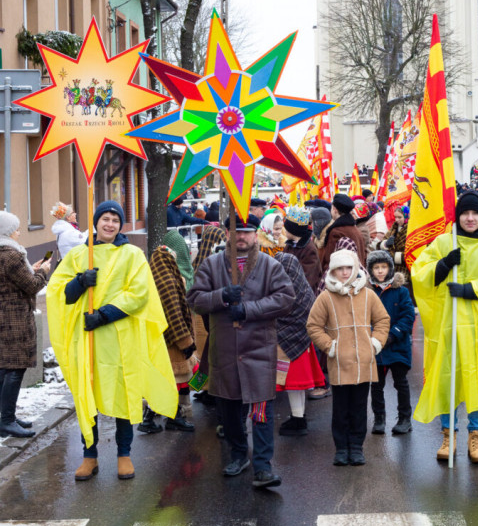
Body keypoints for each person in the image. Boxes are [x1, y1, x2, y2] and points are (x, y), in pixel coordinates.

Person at [47, 200, 178, 481]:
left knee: (122, 393)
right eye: (105, 218)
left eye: (115, 220)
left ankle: (124, 454)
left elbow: (140, 293)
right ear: (95, 223)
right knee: (87, 395)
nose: (110, 224)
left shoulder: (132, 254)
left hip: (119, 335)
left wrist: (104, 314)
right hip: (88, 340)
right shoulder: (79, 255)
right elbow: (60, 294)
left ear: (120, 225)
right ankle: (89, 456)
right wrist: (80, 281)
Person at [187, 213, 295, 488]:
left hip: (259, 350)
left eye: (247, 232)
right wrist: (221, 296)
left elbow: (285, 299)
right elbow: (195, 299)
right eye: (236, 231)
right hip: (224, 351)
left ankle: (262, 466)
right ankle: (238, 455)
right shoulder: (211, 265)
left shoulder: (270, 265)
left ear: (256, 235)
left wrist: (248, 309)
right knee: (230, 410)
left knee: (261, 412)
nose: (242, 237)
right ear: (226, 234)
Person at [412, 190, 478, 463]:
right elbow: (420, 272)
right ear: (457, 216)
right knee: (448, 380)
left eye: (474, 213)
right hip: (450, 325)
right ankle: (449, 435)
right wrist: (443, 265)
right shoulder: (445, 241)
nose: (469, 218)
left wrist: (471, 289)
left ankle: (475, 437)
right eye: (464, 213)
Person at [307, 250, 389, 466]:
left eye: (348, 268)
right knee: (340, 409)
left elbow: (382, 320)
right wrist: (329, 346)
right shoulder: (326, 297)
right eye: (339, 269)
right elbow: (313, 326)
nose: (344, 272)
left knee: (360, 408)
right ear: (333, 271)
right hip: (339, 362)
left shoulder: (369, 295)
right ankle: (341, 448)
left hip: (364, 361)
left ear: (355, 268)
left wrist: (375, 342)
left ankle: (356, 447)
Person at [0, 212, 51, 437]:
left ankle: (5, 416)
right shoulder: (11, 255)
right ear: (8, 230)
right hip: (15, 320)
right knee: (14, 369)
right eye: (17, 228)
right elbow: (31, 286)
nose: (19, 232)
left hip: (5, 318)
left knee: (4, 368)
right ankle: (7, 420)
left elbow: (14, 279)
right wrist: (43, 272)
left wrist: (30, 267)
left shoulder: (5, 253)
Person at [274, 252, 325, 436]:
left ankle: (298, 419)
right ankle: (299, 416)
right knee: (298, 385)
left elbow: (280, 310)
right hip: (303, 340)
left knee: (294, 384)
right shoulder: (303, 287)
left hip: (289, 342)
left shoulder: (285, 289)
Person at [147, 245, 197, 433]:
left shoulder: (154, 277)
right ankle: (168, 418)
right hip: (173, 341)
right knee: (175, 381)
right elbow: (174, 314)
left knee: (172, 381)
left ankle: (167, 416)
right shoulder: (168, 281)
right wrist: (186, 342)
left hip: (162, 338)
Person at [367, 250, 415, 435]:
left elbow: (408, 316)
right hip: (375, 345)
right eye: (376, 267)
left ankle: (404, 418)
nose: (380, 271)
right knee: (376, 384)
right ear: (371, 270)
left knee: (400, 382)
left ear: (390, 268)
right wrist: (374, 337)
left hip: (397, 344)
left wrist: (393, 335)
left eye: (383, 267)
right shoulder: (367, 292)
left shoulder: (401, 291)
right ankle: (379, 418)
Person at [320, 193, 366, 271]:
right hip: (355, 276)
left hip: (342, 279)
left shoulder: (336, 232)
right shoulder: (355, 229)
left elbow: (330, 260)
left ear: (335, 209)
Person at [283, 205, 322, 292]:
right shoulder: (289, 245)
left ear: (293, 231)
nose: (284, 231)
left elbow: (307, 280)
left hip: (304, 297)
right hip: (289, 292)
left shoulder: (309, 250)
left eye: (287, 229)